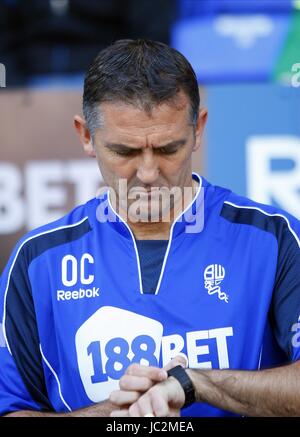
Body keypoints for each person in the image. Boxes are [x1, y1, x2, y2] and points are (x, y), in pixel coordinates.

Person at [0, 39, 300, 417]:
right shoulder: (38, 260)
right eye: (124, 152)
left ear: (199, 129)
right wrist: (116, 416)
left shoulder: (273, 238)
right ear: (86, 136)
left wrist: (197, 385)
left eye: (168, 149)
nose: (147, 174)